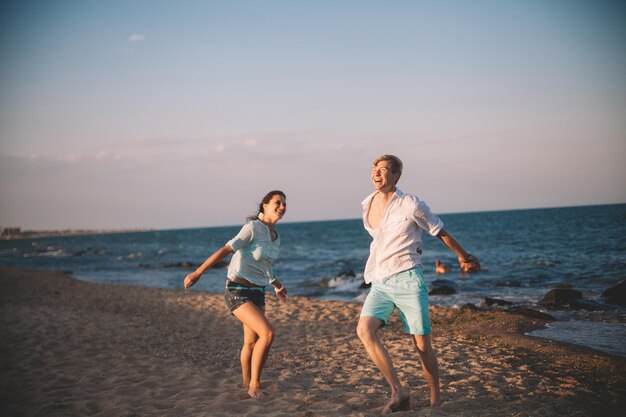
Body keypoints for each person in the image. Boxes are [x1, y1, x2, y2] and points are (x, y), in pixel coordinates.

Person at [356, 155, 481, 413]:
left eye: (383, 170)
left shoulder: (410, 204)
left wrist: (465, 257)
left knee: (422, 345)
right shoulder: (367, 204)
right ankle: (399, 391)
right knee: (365, 331)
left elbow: (440, 231)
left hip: (408, 279)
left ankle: (435, 398)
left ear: (396, 176)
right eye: (374, 170)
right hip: (379, 280)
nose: (376, 174)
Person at [183, 190, 288, 398]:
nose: (282, 207)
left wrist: (277, 284)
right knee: (268, 334)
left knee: (250, 342)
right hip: (237, 290)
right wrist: (198, 272)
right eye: (278, 203)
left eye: (285, 204)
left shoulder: (275, 237)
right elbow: (226, 249)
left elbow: (266, 266)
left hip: (258, 292)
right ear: (265, 205)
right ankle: (255, 386)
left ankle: (245, 382)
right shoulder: (252, 228)